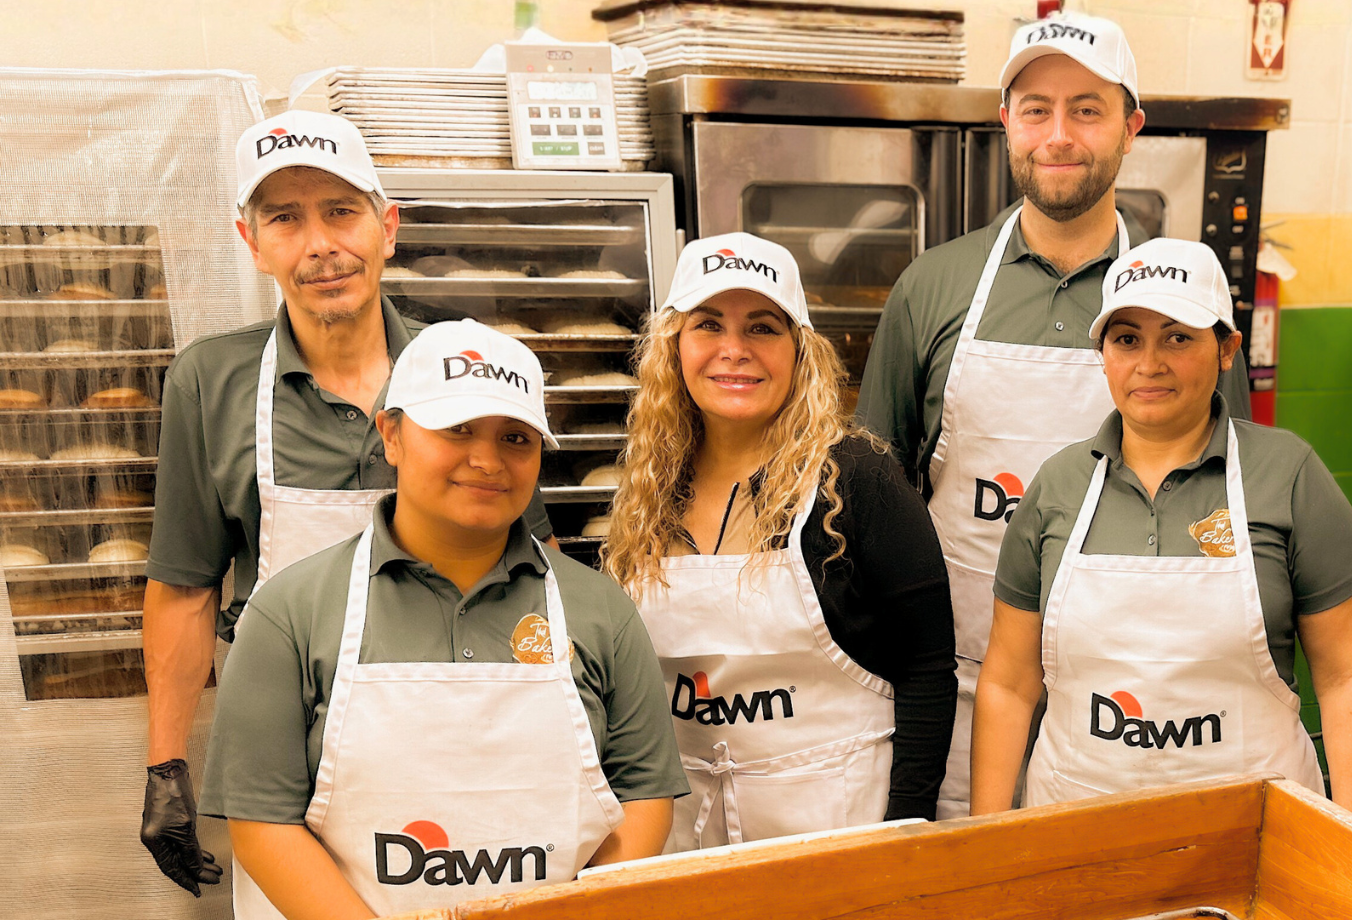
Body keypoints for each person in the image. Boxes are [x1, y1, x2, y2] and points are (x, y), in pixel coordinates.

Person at [140, 111, 555, 895]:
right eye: (285, 219)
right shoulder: (210, 381)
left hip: (472, 737)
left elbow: (537, 568)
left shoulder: (463, 363)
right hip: (288, 769)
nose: (320, 244)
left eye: (341, 211)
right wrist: (166, 765)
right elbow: (185, 587)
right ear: (251, 242)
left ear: (386, 227)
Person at [858, 11, 1254, 819]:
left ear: (1131, 126)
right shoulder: (933, 288)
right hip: (964, 692)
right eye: (1035, 108)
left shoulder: (1188, 302)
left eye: (1087, 108)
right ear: (1006, 121)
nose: (1059, 134)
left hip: (1137, 706)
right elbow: (875, 500)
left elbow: (1228, 503)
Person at [200, 320, 684, 919]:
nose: (487, 460)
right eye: (457, 429)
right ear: (392, 436)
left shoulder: (600, 611)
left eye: (515, 438)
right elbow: (262, 823)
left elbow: (645, 797)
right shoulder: (290, 613)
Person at [972, 238, 1352, 818]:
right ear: (1103, 352)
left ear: (1227, 349)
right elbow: (1009, 683)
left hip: (1252, 829)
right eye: (1127, 339)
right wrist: (983, 840)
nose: (1150, 364)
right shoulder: (1058, 486)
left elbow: (1347, 677)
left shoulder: (1288, 475)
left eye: (1178, 337)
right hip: (1075, 822)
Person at [601, 233, 956, 850]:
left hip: (841, 834)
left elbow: (928, 669)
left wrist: (905, 837)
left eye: (762, 328)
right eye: (708, 325)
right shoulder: (648, 487)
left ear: (800, 350)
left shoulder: (859, 480)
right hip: (686, 840)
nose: (733, 351)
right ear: (674, 347)